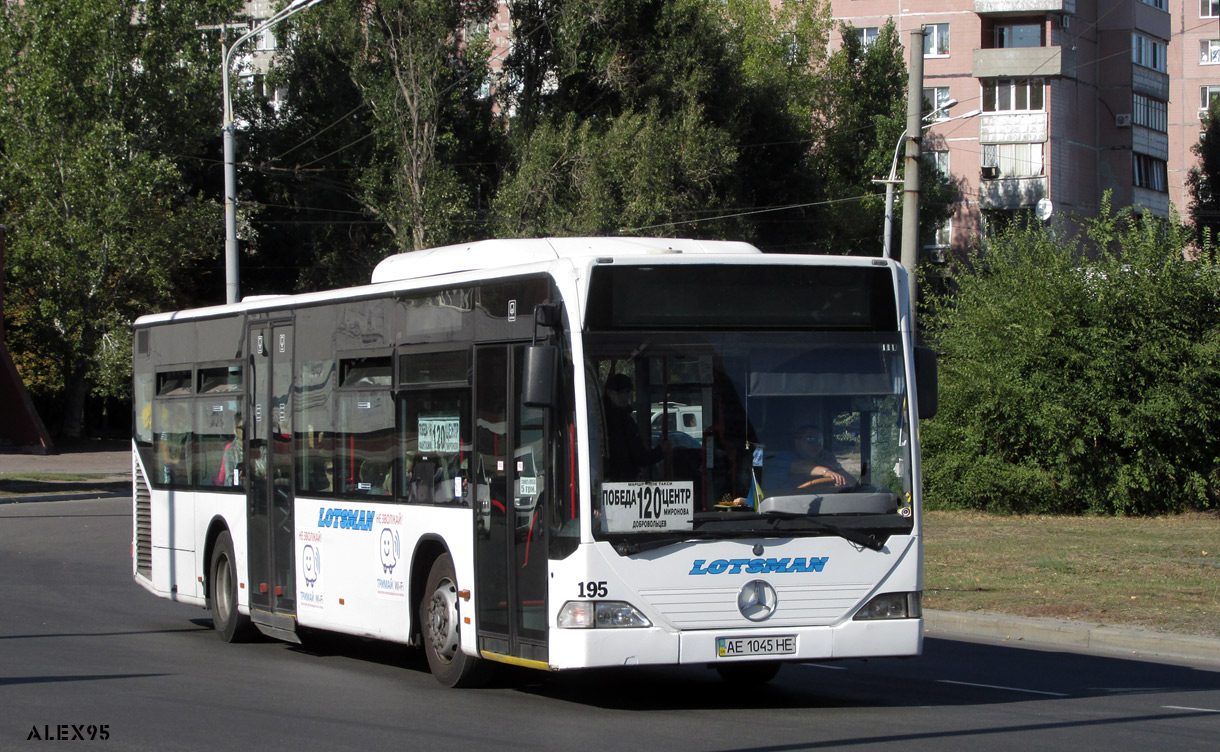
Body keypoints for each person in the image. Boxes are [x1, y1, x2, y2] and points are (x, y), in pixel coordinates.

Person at [602, 373, 668, 481]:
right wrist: (660, 451)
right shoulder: (618, 420)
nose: (625, 397)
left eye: (627, 392)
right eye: (620, 392)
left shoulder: (620, 417)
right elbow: (638, 456)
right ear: (609, 393)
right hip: (621, 479)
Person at [765, 423, 856, 490]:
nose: (817, 444)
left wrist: (837, 468)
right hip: (778, 507)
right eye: (810, 439)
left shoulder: (822, 460)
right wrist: (826, 471)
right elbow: (800, 467)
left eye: (820, 440)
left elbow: (855, 485)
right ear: (797, 441)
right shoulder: (784, 458)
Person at [215, 414, 244, 486]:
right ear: (235, 431)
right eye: (242, 427)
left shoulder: (261, 449)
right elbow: (229, 479)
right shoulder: (230, 450)